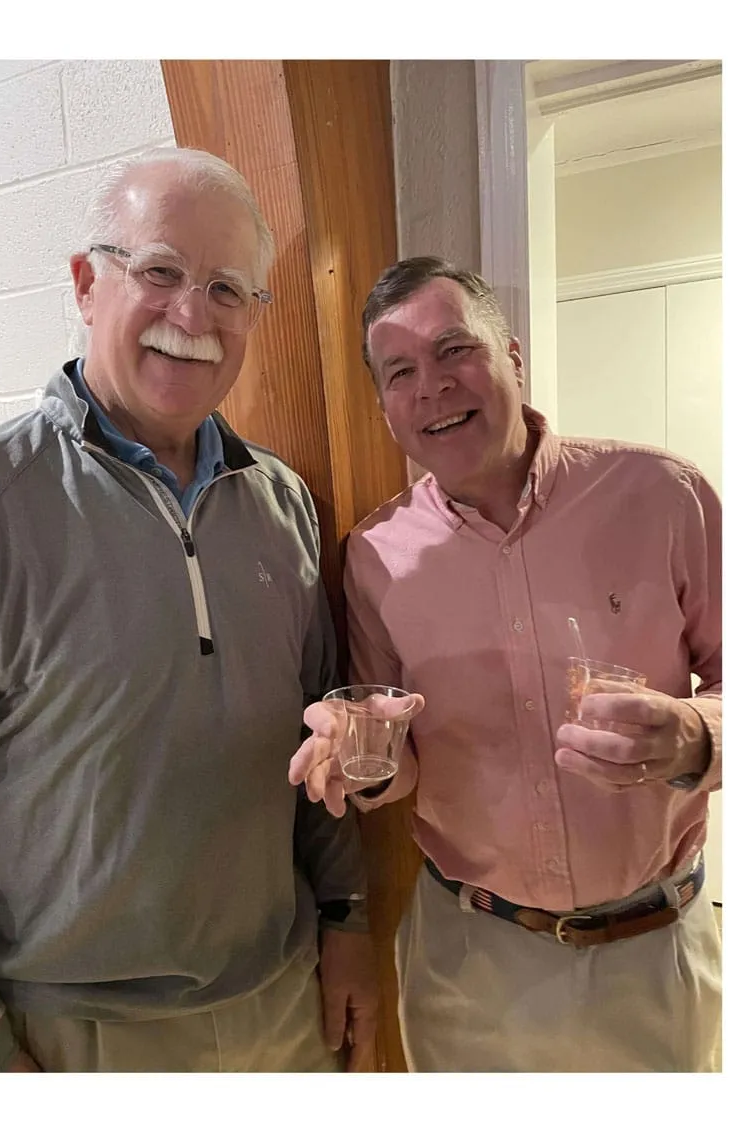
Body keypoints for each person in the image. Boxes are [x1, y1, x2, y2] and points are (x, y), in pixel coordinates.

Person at [0, 148, 378, 1073]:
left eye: (229, 290)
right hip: (71, 1039)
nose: (193, 316)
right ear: (85, 283)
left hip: (282, 1008)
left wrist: (348, 919)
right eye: (160, 272)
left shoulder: (284, 503)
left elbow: (324, 746)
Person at [289, 256, 722, 1072]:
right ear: (384, 407)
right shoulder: (375, 557)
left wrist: (694, 735)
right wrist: (361, 757)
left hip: (654, 954)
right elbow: (400, 765)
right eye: (401, 372)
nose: (433, 387)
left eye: (456, 350)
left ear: (512, 357)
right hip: (469, 962)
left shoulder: (665, 496)